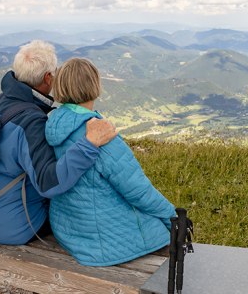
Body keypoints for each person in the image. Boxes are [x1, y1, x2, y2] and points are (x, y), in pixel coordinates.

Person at [0, 41, 118, 245]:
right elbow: (49, 183)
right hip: (13, 227)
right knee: (84, 208)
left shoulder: (0, 101)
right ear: (48, 78)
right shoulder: (31, 121)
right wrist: (89, 144)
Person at [45, 57, 176, 266]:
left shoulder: (53, 124)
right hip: (101, 243)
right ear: (94, 85)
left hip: (70, 231)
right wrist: (174, 218)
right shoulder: (99, 135)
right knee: (159, 230)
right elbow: (138, 190)